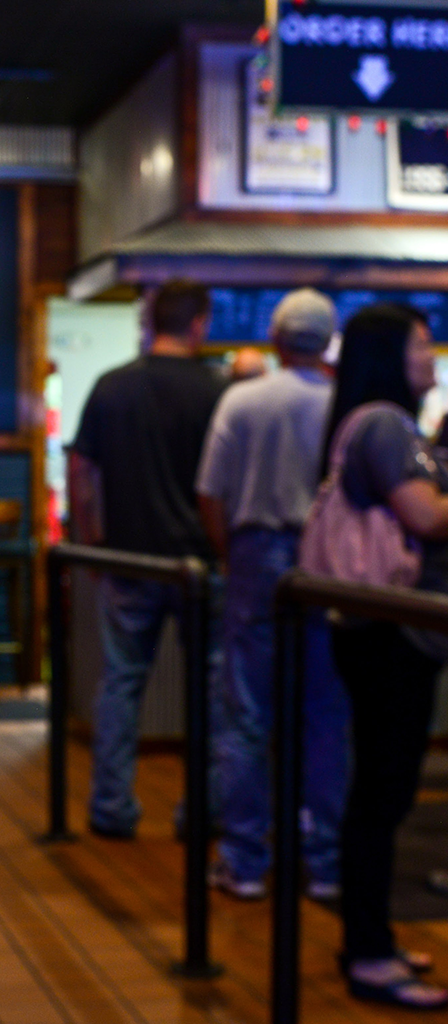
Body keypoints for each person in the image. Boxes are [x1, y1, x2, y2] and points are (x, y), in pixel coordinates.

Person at [196, 289, 349, 900]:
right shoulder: (343, 403)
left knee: (245, 714)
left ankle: (243, 861)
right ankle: (326, 862)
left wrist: (230, 554)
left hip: (257, 556)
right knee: (326, 715)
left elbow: (211, 492)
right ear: (329, 341)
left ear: (277, 339)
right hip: (326, 564)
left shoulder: (244, 399)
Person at [322, 304, 448, 1009]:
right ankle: (369, 955)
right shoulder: (384, 425)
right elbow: (425, 516)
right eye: (421, 345)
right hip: (390, 633)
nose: (432, 356)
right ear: (388, 355)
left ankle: (371, 939)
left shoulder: (389, 425)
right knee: (382, 792)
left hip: (388, 632)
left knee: (383, 791)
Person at [70, 279, 226, 838]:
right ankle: (201, 812)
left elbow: (80, 471)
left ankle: (111, 808)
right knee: (209, 691)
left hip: (129, 562)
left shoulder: (111, 387)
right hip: (199, 567)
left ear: (151, 321)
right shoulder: (217, 391)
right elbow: (224, 487)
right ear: (199, 324)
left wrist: (94, 543)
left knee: (121, 683)